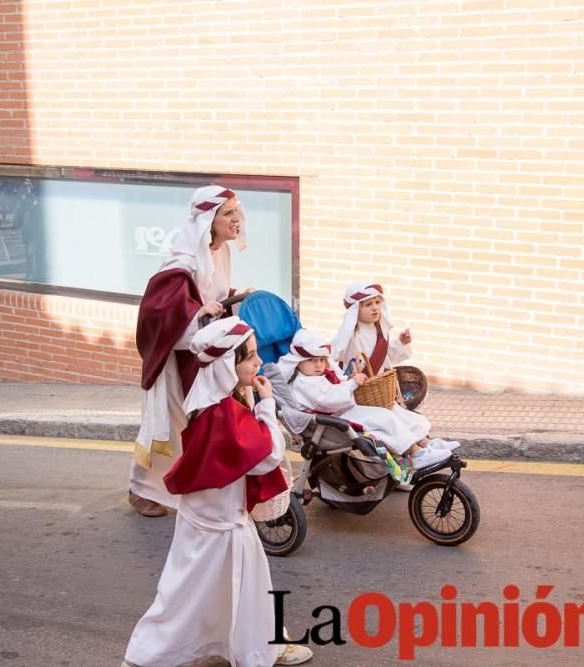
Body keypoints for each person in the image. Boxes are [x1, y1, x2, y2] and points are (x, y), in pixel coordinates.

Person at [122, 317, 313, 667]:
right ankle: (148, 655)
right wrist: (266, 404)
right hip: (220, 525)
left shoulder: (210, 403)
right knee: (192, 596)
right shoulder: (224, 412)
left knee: (211, 591)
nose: (258, 363)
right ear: (228, 364)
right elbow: (267, 455)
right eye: (250, 357)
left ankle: (260, 644)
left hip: (208, 520)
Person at [128, 185, 249, 517]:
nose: (236, 218)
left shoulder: (220, 252)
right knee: (167, 422)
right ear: (208, 220)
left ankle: (194, 485)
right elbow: (161, 311)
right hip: (175, 359)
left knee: (198, 421)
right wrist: (197, 314)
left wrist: (235, 298)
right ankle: (142, 490)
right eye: (228, 213)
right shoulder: (181, 263)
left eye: (236, 211)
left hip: (203, 353)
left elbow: (214, 294)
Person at [277, 329, 458, 470]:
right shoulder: (304, 383)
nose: (318, 365)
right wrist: (351, 385)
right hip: (335, 420)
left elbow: (337, 384)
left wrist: (349, 380)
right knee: (384, 418)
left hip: (344, 410)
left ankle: (427, 443)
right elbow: (328, 399)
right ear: (298, 361)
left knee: (392, 410)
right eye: (312, 360)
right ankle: (416, 454)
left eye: (322, 360)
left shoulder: (316, 375)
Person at [331, 281, 411, 376]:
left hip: (377, 386)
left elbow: (386, 358)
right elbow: (332, 356)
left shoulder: (381, 331)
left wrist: (401, 342)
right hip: (354, 386)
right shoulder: (348, 334)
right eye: (368, 304)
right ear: (355, 310)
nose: (375, 308)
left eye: (377, 302)